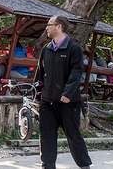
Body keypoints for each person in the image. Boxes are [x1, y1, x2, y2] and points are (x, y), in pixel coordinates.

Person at [35, 15, 92, 169]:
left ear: (59, 26)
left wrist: (67, 93)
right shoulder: (46, 50)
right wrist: (37, 96)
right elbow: (40, 74)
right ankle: (47, 166)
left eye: (49, 25)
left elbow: (75, 73)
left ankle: (84, 166)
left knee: (73, 136)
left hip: (68, 102)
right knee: (46, 136)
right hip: (48, 102)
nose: (46, 28)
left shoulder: (73, 49)